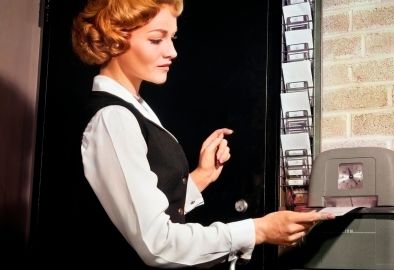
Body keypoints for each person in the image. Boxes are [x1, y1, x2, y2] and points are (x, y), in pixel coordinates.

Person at [68, 0, 335, 268]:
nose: (172, 51)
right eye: (156, 39)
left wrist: (201, 176)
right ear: (115, 41)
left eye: (172, 38)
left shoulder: (133, 108)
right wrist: (258, 230)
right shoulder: (113, 118)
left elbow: (143, 206)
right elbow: (158, 244)